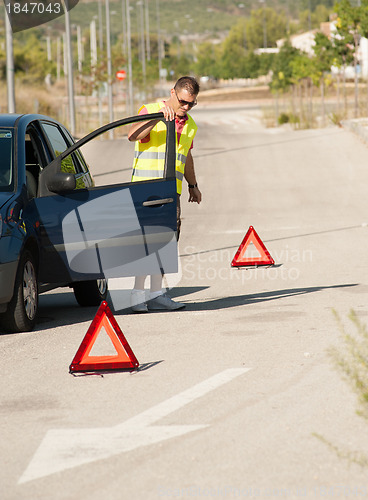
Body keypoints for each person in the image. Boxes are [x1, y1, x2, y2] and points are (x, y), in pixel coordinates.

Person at [128, 76, 202, 312]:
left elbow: (186, 156)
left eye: (192, 103)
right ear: (172, 93)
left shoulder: (190, 125)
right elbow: (133, 135)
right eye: (183, 102)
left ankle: (157, 294)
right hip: (145, 188)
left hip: (172, 191)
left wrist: (193, 184)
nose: (186, 107)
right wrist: (157, 117)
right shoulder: (149, 110)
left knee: (166, 242)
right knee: (145, 242)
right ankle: (137, 295)